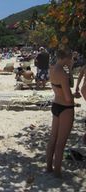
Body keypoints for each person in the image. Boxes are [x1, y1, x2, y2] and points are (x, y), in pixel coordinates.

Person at [46, 49, 75, 178]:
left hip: (56, 104)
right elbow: (68, 97)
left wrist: (69, 69)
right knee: (61, 142)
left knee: (53, 138)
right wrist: (75, 96)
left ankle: (48, 167)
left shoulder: (52, 69)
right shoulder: (63, 73)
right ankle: (57, 172)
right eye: (72, 58)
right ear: (67, 58)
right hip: (66, 107)